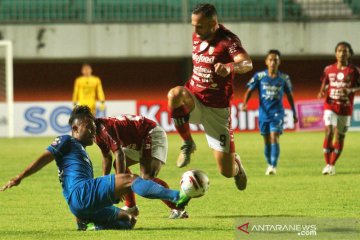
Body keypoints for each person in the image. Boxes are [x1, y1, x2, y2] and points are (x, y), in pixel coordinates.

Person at [0, 106, 190, 230]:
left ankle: (91, 224)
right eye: (87, 128)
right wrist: (20, 176)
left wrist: (108, 186)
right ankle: (177, 196)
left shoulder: (82, 153)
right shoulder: (66, 140)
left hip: (81, 207)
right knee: (131, 179)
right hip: (82, 193)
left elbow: (107, 158)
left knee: (128, 221)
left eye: (93, 127)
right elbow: (44, 158)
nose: (92, 131)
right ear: (75, 129)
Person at [167, 3, 252, 190]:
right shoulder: (197, 36)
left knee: (226, 171)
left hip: (217, 110)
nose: (195, 30)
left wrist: (230, 67)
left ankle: (237, 167)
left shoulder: (228, 41)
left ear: (213, 23)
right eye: (193, 26)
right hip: (194, 100)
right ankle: (188, 143)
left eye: (199, 26)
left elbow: (246, 63)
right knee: (174, 94)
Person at [94, 114, 189, 219]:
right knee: (118, 165)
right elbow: (107, 156)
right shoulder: (95, 132)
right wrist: (103, 181)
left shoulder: (104, 129)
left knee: (147, 178)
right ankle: (131, 206)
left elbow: (119, 154)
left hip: (150, 133)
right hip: (136, 140)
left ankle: (178, 208)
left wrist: (119, 185)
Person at [242, 49, 298, 175]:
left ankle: (273, 165)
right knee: (266, 140)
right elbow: (249, 91)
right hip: (263, 113)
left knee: (274, 136)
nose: (273, 62)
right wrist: (245, 104)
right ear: (266, 62)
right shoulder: (260, 76)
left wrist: (294, 113)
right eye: (271, 59)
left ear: (279, 62)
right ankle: (269, 164)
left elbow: (290, 96)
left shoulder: (284, 78)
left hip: (277, 113)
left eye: (275, 60)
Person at [318, 42, 360, 175]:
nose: (342, 53)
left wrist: (351, 90)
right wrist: (321, 92)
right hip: (330, 105)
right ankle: (327, 164)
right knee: (329, 131)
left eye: (345, 51)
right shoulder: (328, 69)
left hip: (345, 108)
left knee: (340, 137)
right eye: (340, 51)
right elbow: (325, 83)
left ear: (349, 54)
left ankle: (332, 164)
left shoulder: (354, 71)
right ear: (335, 53)